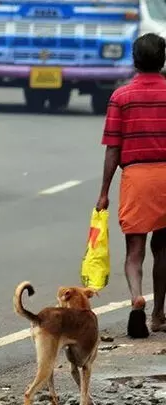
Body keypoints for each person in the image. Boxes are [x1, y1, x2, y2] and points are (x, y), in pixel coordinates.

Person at [98, 32, 166, 339]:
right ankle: (158, 314)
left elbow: (113, 149)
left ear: (134, 61)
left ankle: (136, 298)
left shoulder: (121, 97)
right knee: (163, 249)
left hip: (136, 178)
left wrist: (103, 193)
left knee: (134, 251)